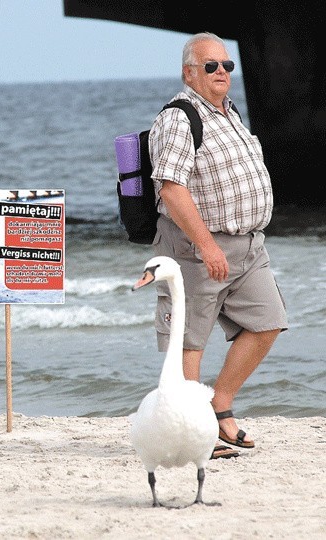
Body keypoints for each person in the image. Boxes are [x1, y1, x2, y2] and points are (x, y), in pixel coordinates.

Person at [148, 33, 288, 458]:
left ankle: (218, 404)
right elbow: (171, 189)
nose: (222, 72)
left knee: (268, 321)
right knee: (188, 342)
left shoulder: (228, 112)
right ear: (190, 72)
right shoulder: (178, 117)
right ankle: (193, 437)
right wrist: (207, 245)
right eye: (211, 66)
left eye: (227, 65)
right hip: (196, 248)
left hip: (248, 246)